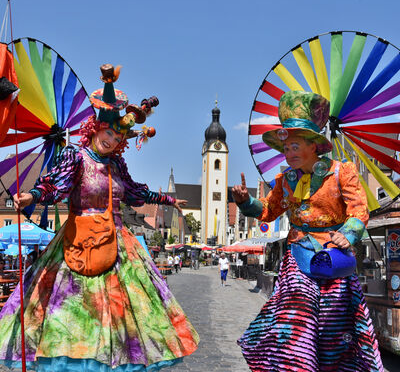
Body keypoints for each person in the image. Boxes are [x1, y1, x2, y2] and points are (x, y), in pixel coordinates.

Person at [0, 64, 199, 371]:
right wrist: (33, 196)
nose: (112, 139)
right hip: (77, 245)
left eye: (119, 136)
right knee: (72, 316)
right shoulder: (75, 157)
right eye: (109, 132)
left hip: (119, 248)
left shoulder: (117, 167)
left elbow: (135, 193)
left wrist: (168, 200)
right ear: (95, 128)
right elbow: (56, 185)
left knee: (124, 320)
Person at [233, 91, 383, 371]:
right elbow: (268, 211)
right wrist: (245, 201)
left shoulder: (342, 172)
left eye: (294, 146)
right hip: (298, 259)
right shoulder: (285, 179)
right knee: (296, 321)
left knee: (333, 331)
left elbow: (359, 209)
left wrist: (347, 235)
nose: (288, 154)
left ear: (314, 145)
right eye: (285, 148)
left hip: (333, 259)